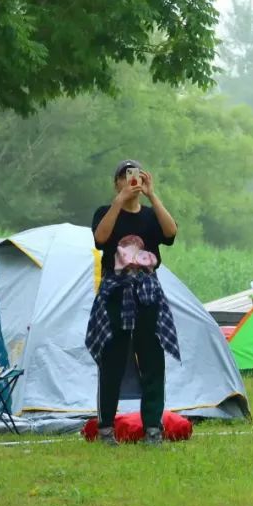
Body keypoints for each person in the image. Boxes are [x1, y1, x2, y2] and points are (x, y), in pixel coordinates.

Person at [85, 159, 180, 446]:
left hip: (147, 291)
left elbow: (171, 233)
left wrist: (152, 194)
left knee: (152, 358)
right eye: (126, 177)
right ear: (117, 182)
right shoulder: (106, 212)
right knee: (112, 359)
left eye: (136, 176)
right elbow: (100, 239)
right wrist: (119, 202)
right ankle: (105, 429)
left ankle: (153, 428)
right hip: (116, 292)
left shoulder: (151, 215)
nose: (132, 182)